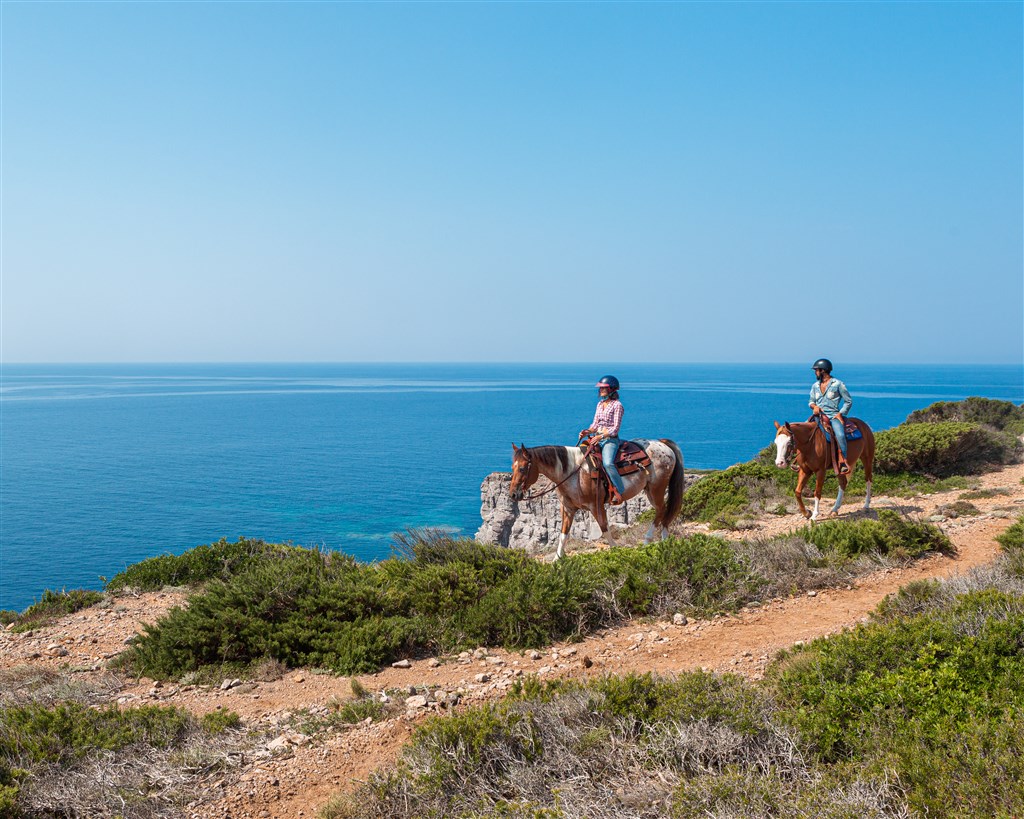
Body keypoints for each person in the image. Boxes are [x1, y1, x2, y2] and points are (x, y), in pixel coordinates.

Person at [580, 375, 626, 504]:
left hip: (610, 440)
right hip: (597, 438)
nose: (600, 391)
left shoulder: (617, 406)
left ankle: (620, 490)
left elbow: (615, 429)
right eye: (600, 388)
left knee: (608, 463)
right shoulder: (600, 404)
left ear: (611, 389)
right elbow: (595, 424)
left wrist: (600, 436)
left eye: (603, 388)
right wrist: (587, 431)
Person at [809, 358, 853, 474]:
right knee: (801, 432)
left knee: (840, 435)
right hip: (818, 416)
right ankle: (800, 460)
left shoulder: (838, 384)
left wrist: (841, 414)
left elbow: (848, 401)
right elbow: (811, 401)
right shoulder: (815, 386)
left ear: (823, 371)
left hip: (833, 416)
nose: (815, 372)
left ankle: (843, 461)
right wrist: (814, 407)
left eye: (816, 370)